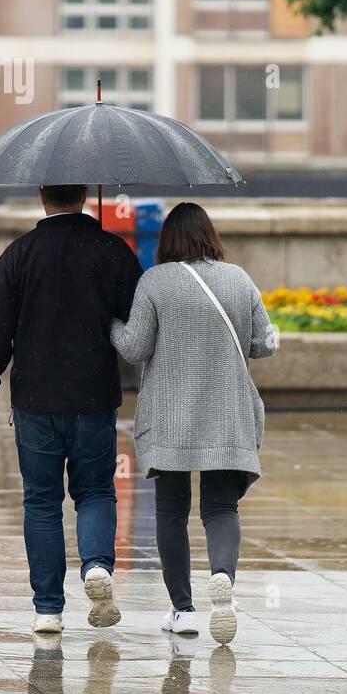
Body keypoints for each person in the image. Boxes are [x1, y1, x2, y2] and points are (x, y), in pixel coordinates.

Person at [0, 184, 143, 635]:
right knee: (96, 492)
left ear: (42, 194)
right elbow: (139, 324)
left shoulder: (19, 255)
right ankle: (97, 567)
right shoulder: (113, 251)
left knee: (41, 501)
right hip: (94, 399)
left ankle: (48, 609)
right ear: (84, 194)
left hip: (35, 402)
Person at [110, 202, 278, 645]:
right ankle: (222, 579)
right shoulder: (239, 279)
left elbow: (133, 347)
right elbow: (264, 343)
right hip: (226, 415)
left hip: (172, 418)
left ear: (167, 240)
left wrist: (109, 323)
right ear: (210, 236)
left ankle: (182, 610)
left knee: (170, 510)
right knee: (221, 508)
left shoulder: (154, 282)